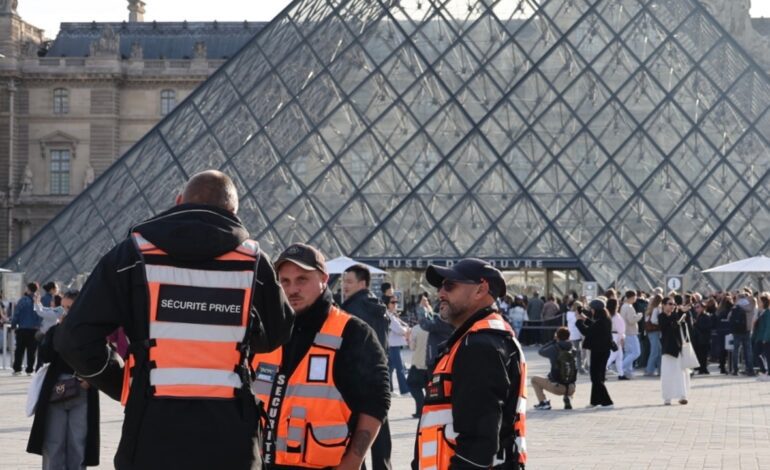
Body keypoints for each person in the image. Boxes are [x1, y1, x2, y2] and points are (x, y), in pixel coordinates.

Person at [54, 170, 294, 470]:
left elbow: (73, 338)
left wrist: (122, 382)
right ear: (233, 212)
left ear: (178, 201)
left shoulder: (132, 254)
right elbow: (278, 332)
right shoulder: (252, 261)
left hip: (151, 428)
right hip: (231, 434)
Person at [251, 243, 390, 469]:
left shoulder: (352, 332)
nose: (292, 289)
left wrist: (353, 461)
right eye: (284, 281)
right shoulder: (266, 331)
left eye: (302, 280)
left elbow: (376, 402)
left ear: (324, 279)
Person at [413, 258, 527, 470]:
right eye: (440, 286)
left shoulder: (479, 346)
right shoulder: (481, 340)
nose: (440, 293)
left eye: (450, 285)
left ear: (480, 289)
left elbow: (478, 442)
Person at [27, 290, 100, 469]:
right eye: (63, 308)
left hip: (82, 389)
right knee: (54, 442)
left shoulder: (91, 332)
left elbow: (100, 358)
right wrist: (58, 331)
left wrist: (89, 380)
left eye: (70, 308)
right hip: (55, 388)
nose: (65, 312)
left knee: (78, 442)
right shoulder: (56, 330)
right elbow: (46, 355)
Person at [341, 264, 392, 470]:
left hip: (356, 378)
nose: (344, 286)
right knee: (379, 433)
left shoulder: (351, 310)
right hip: (379, 377)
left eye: (348, 282)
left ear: (362, 283)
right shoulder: (380, 307)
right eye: (344, 281)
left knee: (356, 436)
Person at [576, 297, 614, 409]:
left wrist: (579, 321)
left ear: (595, 310)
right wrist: (584, 317)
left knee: (596, 377)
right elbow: (593, 325)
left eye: (591, 309)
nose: (591, 311)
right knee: (598, 376)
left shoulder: (601, 321)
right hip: (602, 350)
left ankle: (607, 402)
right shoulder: (605, 318)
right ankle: (595, 401)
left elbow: (587, 331)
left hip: (599, 351)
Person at [532, 327, 577, 410]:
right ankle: (568, 397)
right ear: (569, 337)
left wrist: (553, 341)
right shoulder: (573, 349)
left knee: (534, 379)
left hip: (557, 388)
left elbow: (540, 351)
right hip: (571, 388)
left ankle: (543, 403)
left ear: (557, 336)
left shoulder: (554, 348)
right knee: (566, 371)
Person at [659, 298, 693, 405]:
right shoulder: (662, 316)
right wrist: (679, 312)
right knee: (667, 374)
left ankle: (682, 395)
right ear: (663, 305)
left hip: (679, 348)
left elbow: (686, 326)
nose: (672, 306)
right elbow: (666, 326)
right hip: (668, 349)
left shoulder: (677, 315)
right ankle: (667, 397)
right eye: (669, 304)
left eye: (674, 304)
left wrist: (684, 313)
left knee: (681, 373)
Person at [12, 282, 42, 376]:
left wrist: (13, 325)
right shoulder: (37, 301)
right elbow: (41, 315)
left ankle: (17, 369)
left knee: (19, 350)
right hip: (34, 330)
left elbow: (16, 314)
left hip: (22, 329)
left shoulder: (23, 300)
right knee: (32, 351)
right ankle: (29, 369)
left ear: (28, 289)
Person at [385, 295, 410, 395]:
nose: (395, 304)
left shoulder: (392, 315)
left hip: (393, 345)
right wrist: (407, 331)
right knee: (400, 369)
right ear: (387, 304)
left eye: (396, 302)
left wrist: (406, 329)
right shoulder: (388, 315)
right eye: (392, 302)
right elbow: (399, 330)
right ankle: (404, 390)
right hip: (393, 346)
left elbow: (403, 327)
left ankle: (389, 390)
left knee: (389, 369)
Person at [407, 320, 429, 418]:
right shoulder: (438, 327)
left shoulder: (416, 329)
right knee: (429, 387)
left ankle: (420, 409)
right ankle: (427, 409)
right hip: (432, 363)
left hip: (418, 363)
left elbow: (412, 347)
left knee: (413, 385)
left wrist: (408, 339)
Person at [620, 291, 642, 378]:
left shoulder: (624, 306)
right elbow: (631, 320)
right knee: (636, 352)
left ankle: (627, 371)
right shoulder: (629, 307)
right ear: (633, 297)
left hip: (625, 332)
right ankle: (621, 367)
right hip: (631, 332)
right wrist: (639, 316)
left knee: (629, 353)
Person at [606, 298, 627, 380]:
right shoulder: (617, 316)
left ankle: (621, 374)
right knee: (613, 356)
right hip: (616, 336)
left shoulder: (608, 315)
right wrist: (621, 339)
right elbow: (621, 329)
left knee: (618, 356)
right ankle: (602, 370)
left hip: (611, 335)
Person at [644, 294, 663, 376]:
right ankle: (650, 370)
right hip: (655, 331)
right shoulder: (656, 309)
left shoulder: (650, 309)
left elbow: (647, 320)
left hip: (650, 332)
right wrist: (661, 323)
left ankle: (660, 370)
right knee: (655, 352)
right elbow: (654, 320)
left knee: (658, 351)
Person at [692, 301, 713, 374]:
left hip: (703, 338)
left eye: (698, 307)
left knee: (703, 354)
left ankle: (703, 368)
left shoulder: (706, 316)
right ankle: (702, 368)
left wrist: (696, 324)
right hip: (697, 338)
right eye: (695, 307)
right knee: (699, 354)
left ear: (703, 308)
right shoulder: (696, 316)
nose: (696, 309)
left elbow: (705, 327)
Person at [566, 301, 586, 374]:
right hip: (576, 335)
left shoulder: (569, 314)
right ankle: (580, 368)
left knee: (573, 353)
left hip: (571, 335)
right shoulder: (577, 315)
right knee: (578, 354)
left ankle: (570, 368)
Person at [754, 293, 770, 379]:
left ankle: (767, 372)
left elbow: (768, 326)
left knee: (767, 355)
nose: (758, 303)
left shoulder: (768, 312)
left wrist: (766, 338)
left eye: (759, 301)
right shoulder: (761, 312)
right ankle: (764, 370)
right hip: (759, 337)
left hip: (764, 338)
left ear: (764, 302)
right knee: (757, 354)